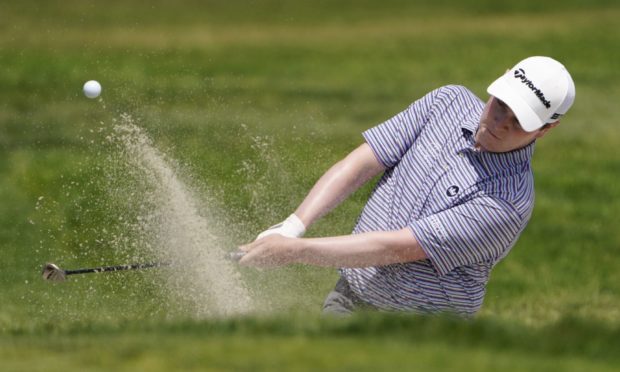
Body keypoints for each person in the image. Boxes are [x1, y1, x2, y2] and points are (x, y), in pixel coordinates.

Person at [238, 56, 576, 316]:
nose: (499, 124)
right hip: (350, 300)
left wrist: (294, 251)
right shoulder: (447, 103)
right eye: (500, 106)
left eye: (518, 123)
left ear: (546, 130)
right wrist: (294, 226)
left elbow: (397, 247)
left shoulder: (508, 203)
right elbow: (362, 163)